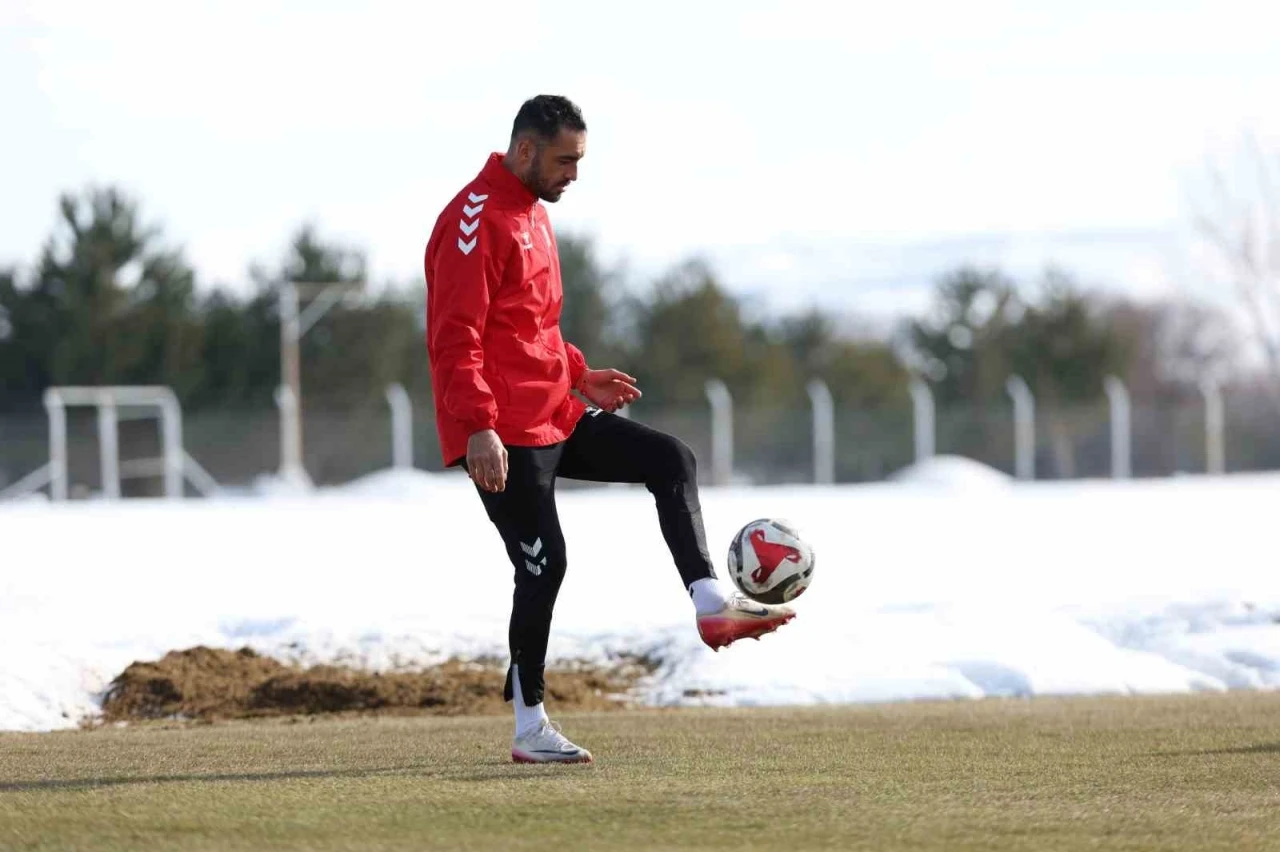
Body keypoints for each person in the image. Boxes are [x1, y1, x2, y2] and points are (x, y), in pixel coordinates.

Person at [423, 95, 795, 765]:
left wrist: (578, 373)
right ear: (526, 150)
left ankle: (711, 601)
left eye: (580, 160)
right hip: (501, 431)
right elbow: (458, 337)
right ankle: (530, 726)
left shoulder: (534, 212)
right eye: (565, 160)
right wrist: (478, 426)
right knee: (544, 565)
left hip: (554, 411)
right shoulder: (473, 220)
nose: (574, 174)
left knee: (670, 459)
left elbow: (530, 324)